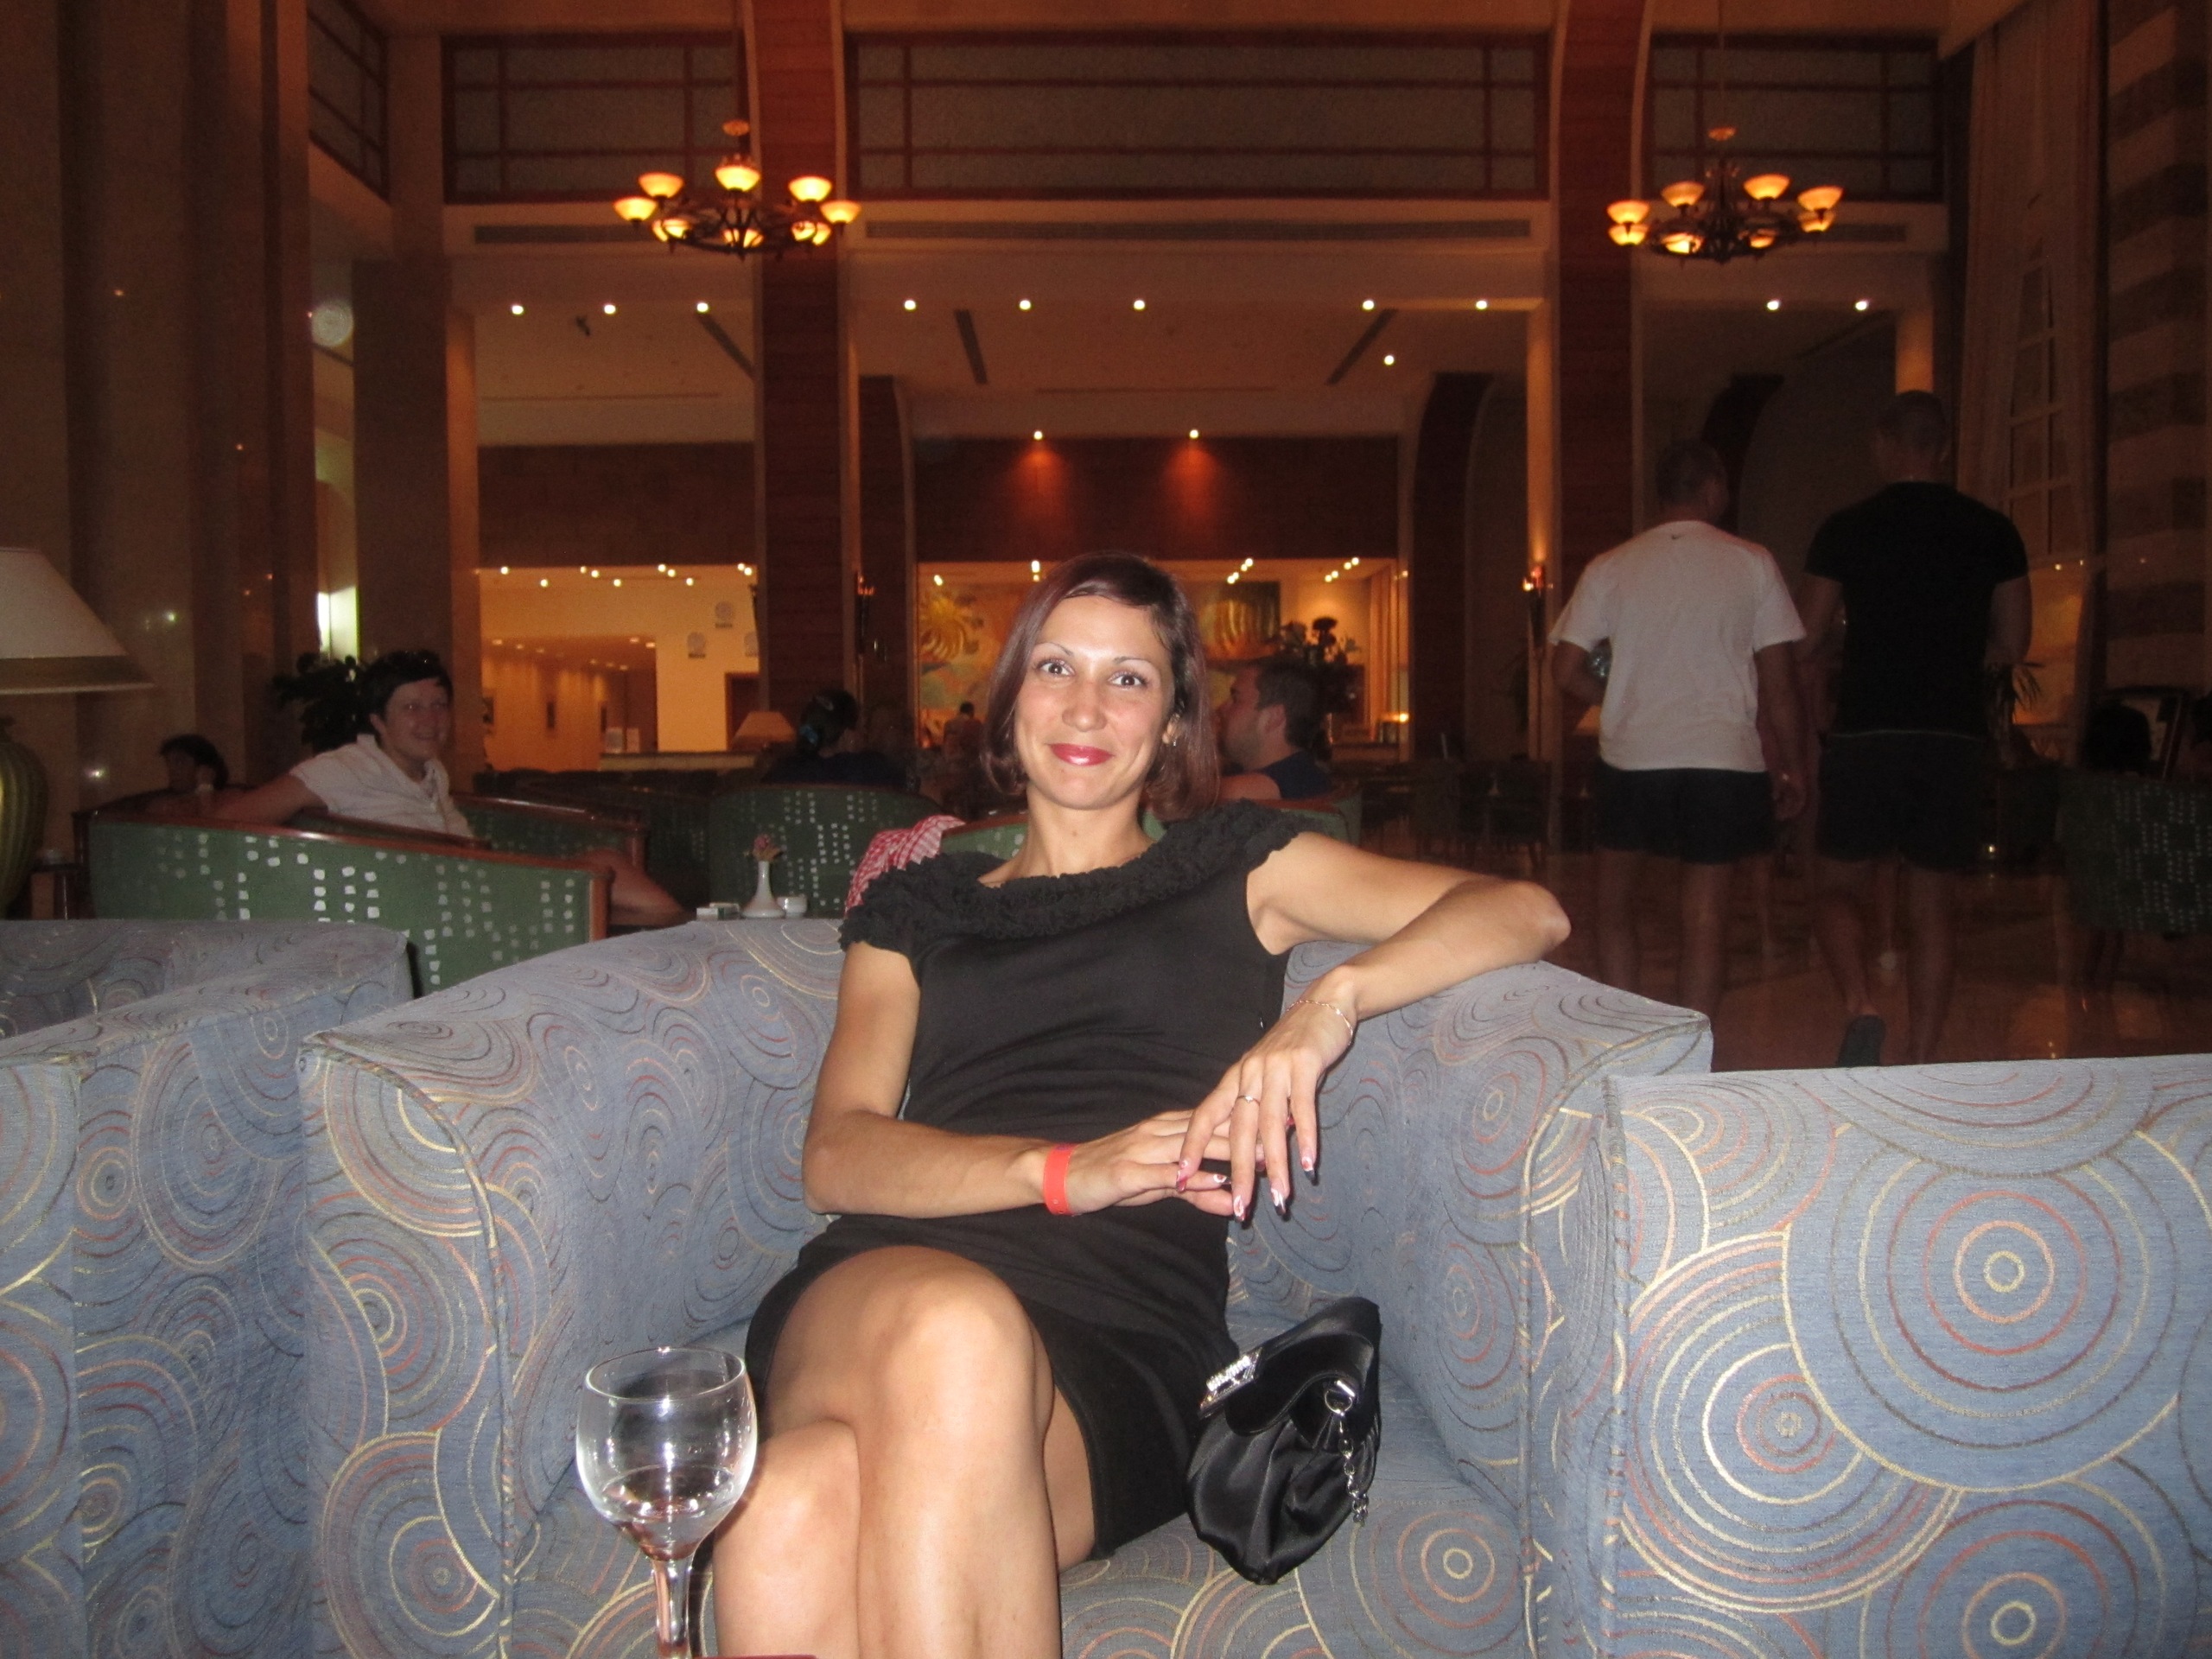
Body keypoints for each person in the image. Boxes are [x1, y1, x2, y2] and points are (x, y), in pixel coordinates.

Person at [708, 553, 1567, 1659]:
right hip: (884, 1293)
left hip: (1126, 1346)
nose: (1084, 707)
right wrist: (1067, 1170)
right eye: (1056, 667)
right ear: (1009, 701)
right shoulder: (918, 908)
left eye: (1128, 680)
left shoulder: (1239, 866)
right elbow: (837, 1154)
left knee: (785, 1514)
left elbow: (1523, 911)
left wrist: (1330, 1007)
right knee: (954, 1329)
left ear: (1172, 725)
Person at [1797, 392, 2031, 1066]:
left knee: (1836, 885)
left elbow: (1806, 637)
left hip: (1868, 730)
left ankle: (1861, 1003)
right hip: (1951, 733)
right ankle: (1924, 1057)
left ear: (1882, 443)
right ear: (1945, 447)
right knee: (1934, 904)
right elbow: (2013, 642)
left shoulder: (1846, 529)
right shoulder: (1993, 531)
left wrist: (1850, 646)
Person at [1548, 437, 1807, 1026]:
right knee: (1706, 917)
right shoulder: (1752, 562)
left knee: (1614, 905)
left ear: (1661, 495)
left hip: (1633, 756)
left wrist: (1619, 695)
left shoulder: (1612, 566)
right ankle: (1693, 1051)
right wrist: (1792, 764)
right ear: (1713, 489)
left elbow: (1564, 669)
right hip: (1723, 758)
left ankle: (1627, 1038)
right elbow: (1779, 682)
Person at [217, 649, 686, 926]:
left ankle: (661, 947)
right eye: (412, 708)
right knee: (606, 871)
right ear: (378, 720)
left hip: (475, 888)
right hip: (439, 909)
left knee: (612, 870)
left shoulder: (431, 772)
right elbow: (231, 822)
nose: (430, 720)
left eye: (438, 705)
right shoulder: (345, 768)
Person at [1217, 657, 1332, 801]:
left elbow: (1196, 796)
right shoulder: (1239, 771)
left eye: (1236, 699)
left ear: (1274, 717)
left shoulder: (1297, 779)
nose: (1221, 709)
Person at [761, 688, 907, 788]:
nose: (865, 735)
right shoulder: (875, 770)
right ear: (848, 736)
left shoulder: (781, 772)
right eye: (861, 729)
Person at [138, 734, 240, 818]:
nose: (172, 770)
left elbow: (212, 830)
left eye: (180, 762)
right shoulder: (162, 806)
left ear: (204, 767)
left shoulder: (230, 799)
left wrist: (205, 788)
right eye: (169, 763)